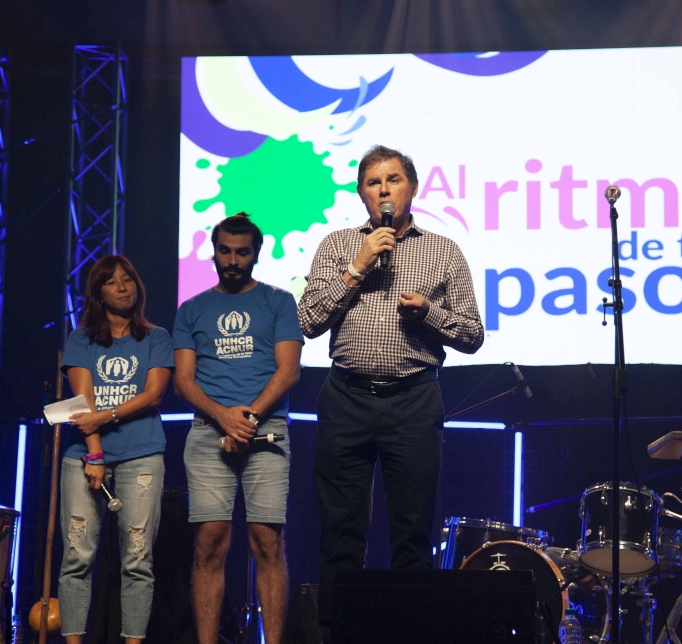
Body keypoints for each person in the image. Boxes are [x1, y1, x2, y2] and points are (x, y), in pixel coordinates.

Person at [297, 145, 484, 585]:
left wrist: (429, 314)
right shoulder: (338, 245)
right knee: (339, 535)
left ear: (413, 189)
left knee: (412, 537)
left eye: (393, 180)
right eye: (373, 182)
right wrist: (356, 267)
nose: (384, 189)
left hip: (413, 401)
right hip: (347, 397)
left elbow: (472, 335)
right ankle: (339, 633)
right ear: (362, 194)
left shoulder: (444, 251)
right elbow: (308, 321)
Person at [173, 212, 303, 644]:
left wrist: (247, 418)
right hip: (209, 432)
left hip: (267, 432)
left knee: (267, 542)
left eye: (241, 252)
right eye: (225, 251)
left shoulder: (280, 301)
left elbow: (288, 372)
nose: (232, 260)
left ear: (256, 254)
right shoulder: (191, 309)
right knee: (210, 542)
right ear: (213, 252)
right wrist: (224, 416)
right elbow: (183, 381)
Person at [58, 255, 173, 643]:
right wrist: (94, 455)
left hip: (141, 456)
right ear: (98, 293)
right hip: (83, 459)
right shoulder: (81, 338)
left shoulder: (155, 337)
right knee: (77, 558)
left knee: (138, 561)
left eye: (128, 279)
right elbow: (82, 403)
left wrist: (104, 419)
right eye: (112, 282)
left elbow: (154, 395)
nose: (123, 287)